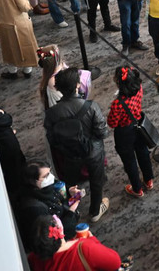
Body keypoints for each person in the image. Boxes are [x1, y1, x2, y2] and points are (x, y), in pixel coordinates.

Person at [43, 67, 110, 223]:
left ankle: (71, 208)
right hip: (94, 152)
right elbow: (103, 133)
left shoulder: (51, 113)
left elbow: (52, 139)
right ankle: (95, 211)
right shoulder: (91, 107)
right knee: (96, 180)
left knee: (70, 181)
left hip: (70, 155)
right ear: (77, 85)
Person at [106, 66, 155, 199]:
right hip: (138, 125)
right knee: (143, 153)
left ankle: (137, 189)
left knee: (129, 161)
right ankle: (149, 180)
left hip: (124, 133)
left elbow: (112, 123)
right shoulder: (139, 89)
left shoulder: (117, 103)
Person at [16, 160, 82, 247]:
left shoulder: (43, 185)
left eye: (50, 172)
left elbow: (56, 184)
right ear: (32, 181)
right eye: (46, 176)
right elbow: (55, 237)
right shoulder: (35, 209)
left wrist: (69, 190)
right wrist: (71, 212)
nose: (51, 177)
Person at [28, 215, 121, 271]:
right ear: (59, 232)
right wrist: (92, 239)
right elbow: (115, 262)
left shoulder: (35, 257)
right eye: (54, 220)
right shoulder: (86, 248)